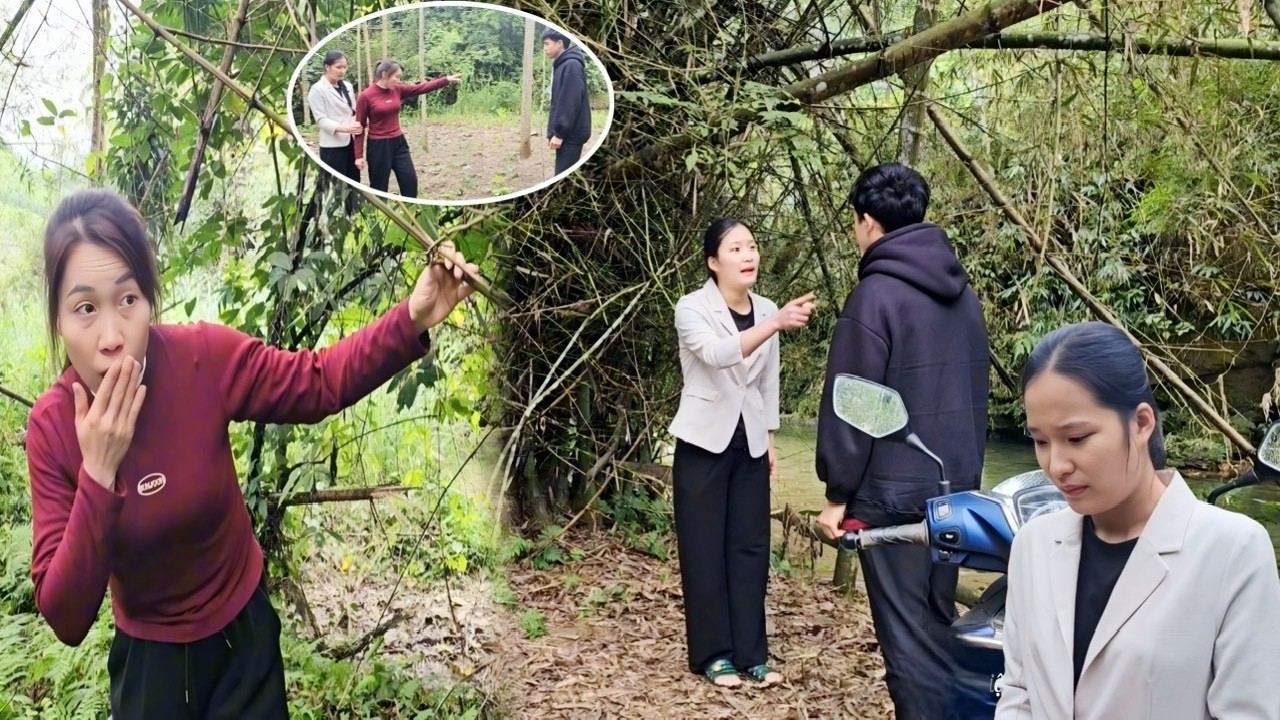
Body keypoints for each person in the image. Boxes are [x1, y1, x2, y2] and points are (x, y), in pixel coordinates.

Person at [25, 188, 480, 718]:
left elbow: (317, 382)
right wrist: (100, 471)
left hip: (242, 639)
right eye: (85, 308)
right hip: (151, 661)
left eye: (128, 300)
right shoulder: (53, 427)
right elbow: (67, 618)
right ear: (58, 319)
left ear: (149, 300)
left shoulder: (200, 359)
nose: (111, 336)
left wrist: (413, 317)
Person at [997, 321, 1280, 719]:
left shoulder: (1233, 551)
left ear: (1142, 423)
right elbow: (1019, 691)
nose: (1056, 465)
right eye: (1040, 441)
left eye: (1077, 438)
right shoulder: (1033, 545)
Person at [815, 162, 990, 719]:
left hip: (893, 498)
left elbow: (852, 400)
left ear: (867, 221)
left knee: (908, 644)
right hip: (956, 493)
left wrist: (837, 494)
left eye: (854, 221)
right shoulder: (963, 295)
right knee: (938, 626)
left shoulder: (875, 296)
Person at [668, 218, 815, 688]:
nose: (748, 255)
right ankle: (714, 655)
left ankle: (753, 655)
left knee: (750, 548)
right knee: (704, 549)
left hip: (749, 441)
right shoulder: (691, 307)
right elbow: (717, 354)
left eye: (751, 246)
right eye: (735, 249)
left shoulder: (767, 307)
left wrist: (769, 439)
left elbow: (767, 382)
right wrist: (774, 324)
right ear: (713, 262)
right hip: (702, 443)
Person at [354, 59, 461, 199]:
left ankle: (410, 209)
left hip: (399, 143)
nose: (399, 81)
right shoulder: (366, 96)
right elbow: (359, 127)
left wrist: (445, 80)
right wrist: (358, 156)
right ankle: (379, 211)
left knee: (410, 181)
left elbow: (421, 88)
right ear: (384, 75)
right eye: (397, 77)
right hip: (379, 146)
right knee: (379, 187)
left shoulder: (397, 89)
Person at [306, 50, 363, 214]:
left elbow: (352, 111)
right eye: (338, 67)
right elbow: (321, 120)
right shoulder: (317, 90)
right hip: (332, 146)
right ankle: (324, 216)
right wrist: (346, 128)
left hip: (350, 142)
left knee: (353, 182)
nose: (342, 71)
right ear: (327, 67)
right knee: (332, 186)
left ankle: (352, 215)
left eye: (345, 67)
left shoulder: (348, 86)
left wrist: (359, 123)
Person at [540, 29, 592, 176]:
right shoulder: (563, 64)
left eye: (547, 44)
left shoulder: (571, 66)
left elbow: (570, 103)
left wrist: (559, 134)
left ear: (559, 43)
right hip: (568, 134)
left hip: (571, 135)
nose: (544, 48)